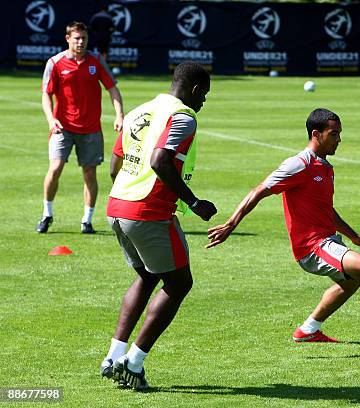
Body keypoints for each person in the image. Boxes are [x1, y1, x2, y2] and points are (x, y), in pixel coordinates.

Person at [207, 108, 360, 354]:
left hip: (328, 242)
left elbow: (326, 209)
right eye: (334, 134)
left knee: (351, 282)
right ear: (316, 134)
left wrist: (353, 236)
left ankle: (308, 330)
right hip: (312, 247)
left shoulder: (325, 167)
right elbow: (258, 190)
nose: (339, 139)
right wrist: (231, 224)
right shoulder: (298, 164)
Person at [100, 61, 217, 391]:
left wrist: (125, 192)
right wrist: (194, 202)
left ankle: (114, 355)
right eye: (204, 96)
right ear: (194, 90)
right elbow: (159, 160)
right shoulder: (183, 116)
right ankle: (133, 364)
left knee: (148, 275)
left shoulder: (140, 111)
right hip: (148, 211)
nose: (203, 102)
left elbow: (117, 159)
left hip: (117, 205)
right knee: (180, 283)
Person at [37, 21, 124, 234]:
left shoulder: (96, 61)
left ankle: (87, 220)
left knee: (90, 174)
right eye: (77, 38)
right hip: (62, 127)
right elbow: (46, 94)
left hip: (91, 129)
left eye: (84, 38)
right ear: (67, 39)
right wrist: (51, 120)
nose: (81, 42)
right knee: (55, 168)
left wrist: (119, 115)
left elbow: (112, 88)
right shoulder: (55, 63)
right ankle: (47, 214)